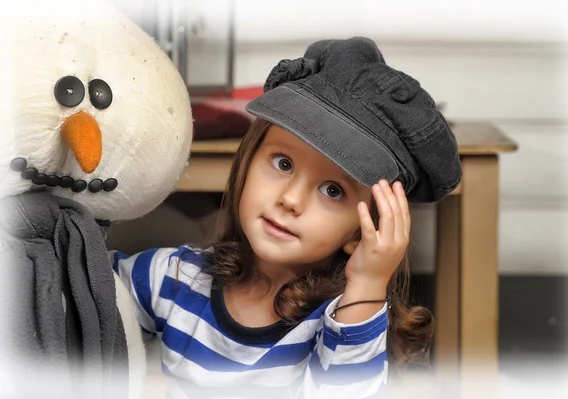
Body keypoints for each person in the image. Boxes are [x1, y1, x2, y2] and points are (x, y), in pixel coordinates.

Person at [111, 37, 462, 399]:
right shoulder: (177, 277)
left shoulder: (344, 324)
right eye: (283, 163)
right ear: (247, 160)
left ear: (364, 231)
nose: (291, 199)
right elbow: (83, 290)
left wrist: (369, 281)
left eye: (333, 190)